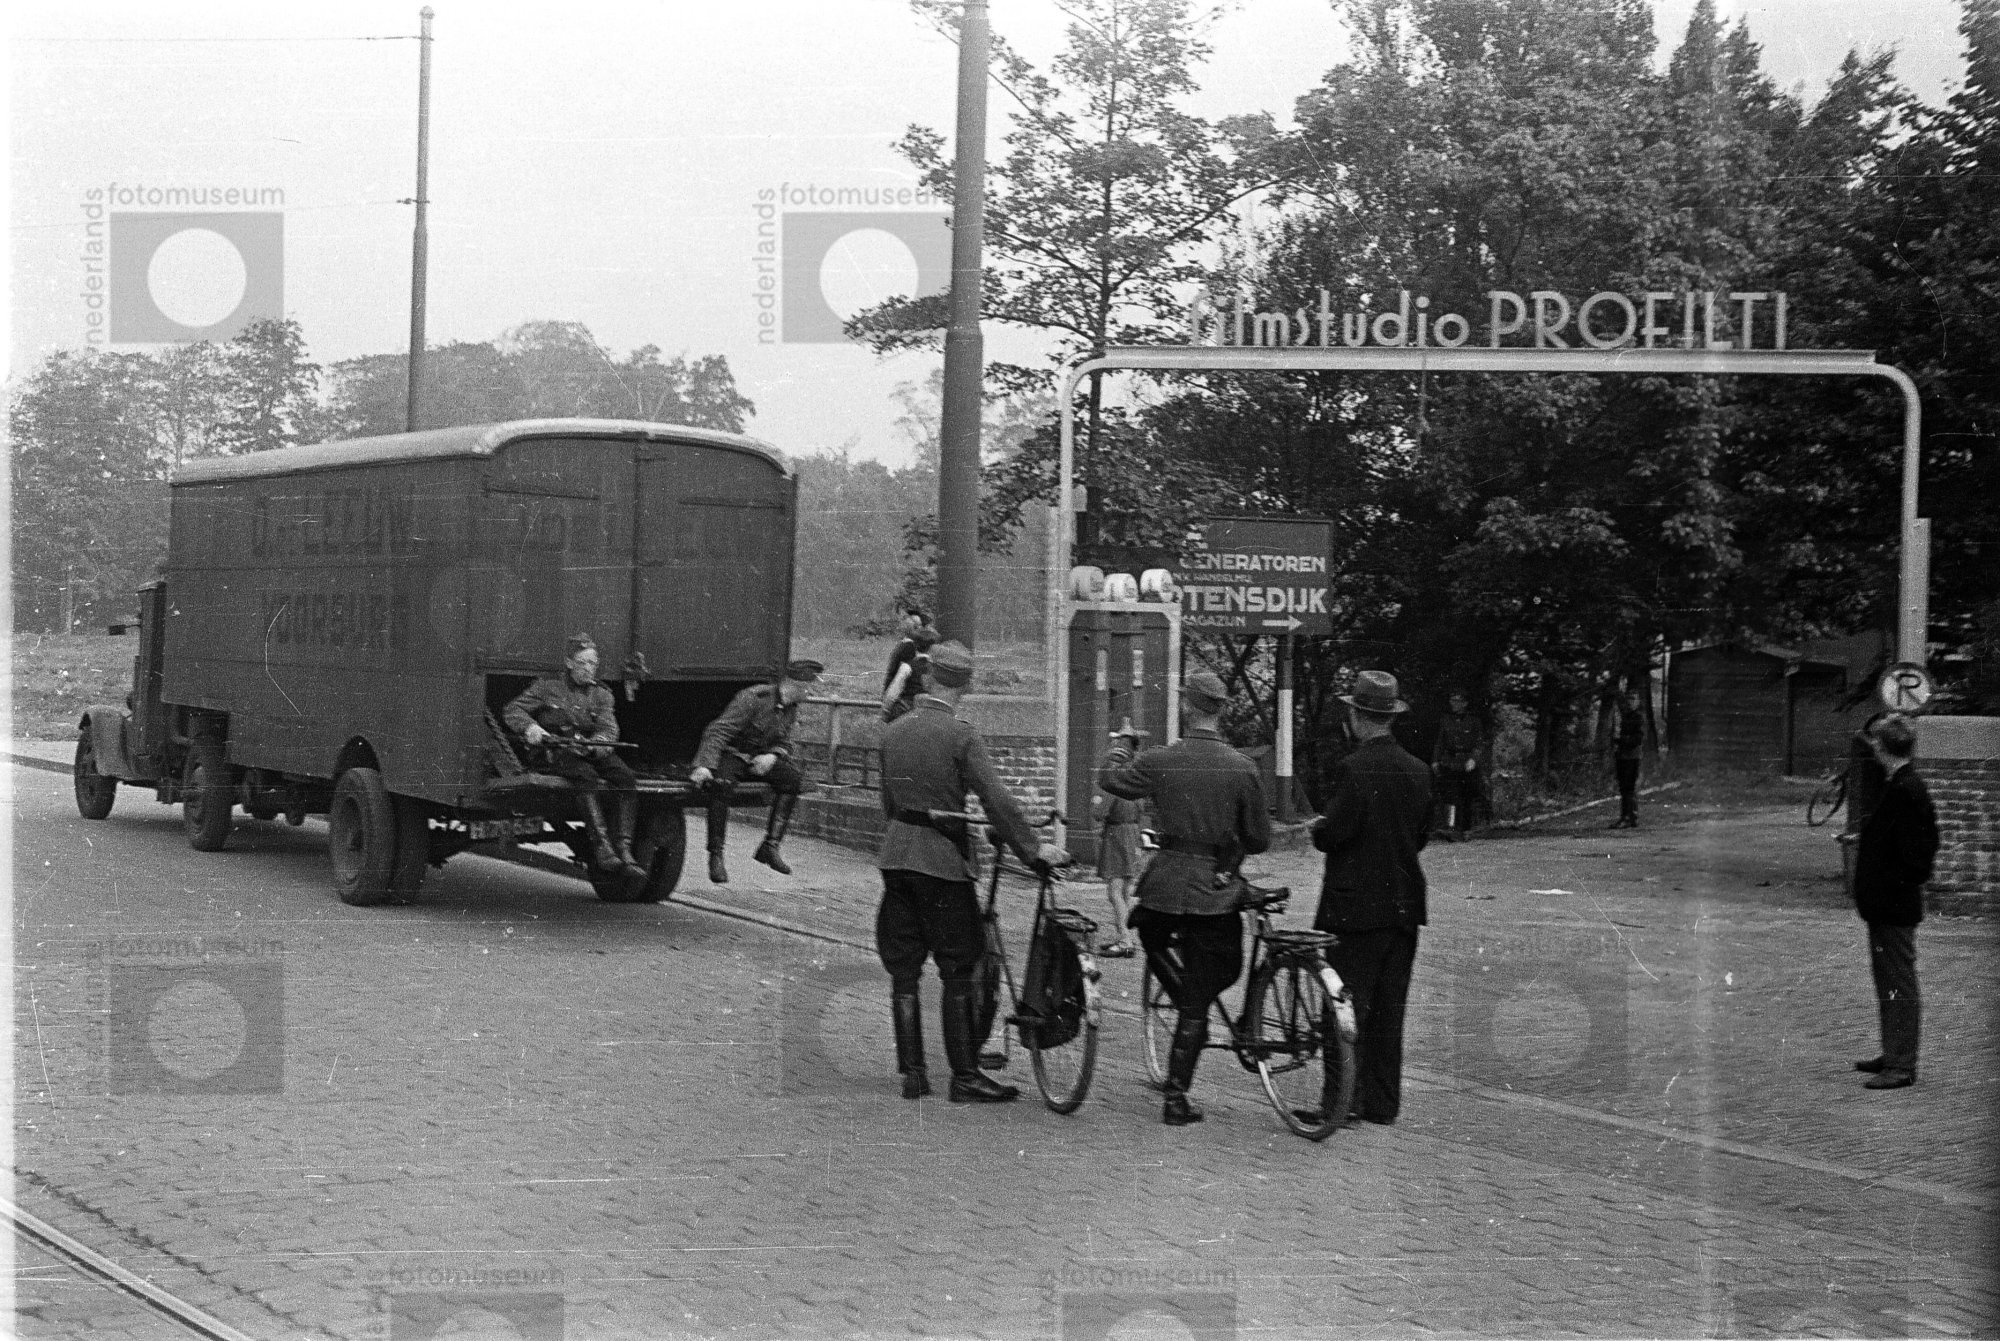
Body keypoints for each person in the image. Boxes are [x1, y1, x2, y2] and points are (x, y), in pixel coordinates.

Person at [875, 640, 1067, 1103]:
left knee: (905, 968)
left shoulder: (893, 731)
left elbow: (889, 803)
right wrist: (1033, 850)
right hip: (942, 863)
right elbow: (996, 800)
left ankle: (914, 1075)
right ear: (965, 685)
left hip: (896, 857)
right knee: (960, 966)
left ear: (927, 677)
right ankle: (964, 1076)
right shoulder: (961, 736)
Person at [1098, 670, 1270, 1125]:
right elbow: (1258, 839)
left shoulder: (1161, 759)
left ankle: (1184, 1010)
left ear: (1187, 706)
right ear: (1220, 711)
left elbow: (1110, 779)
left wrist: (1122, 743)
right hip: (1215, 890)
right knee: (1220, 971)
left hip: (1166, 884)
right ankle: (1180, 1071)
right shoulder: (1242, 768)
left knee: (1153, 938)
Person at [1311, 669, 1433, 1125]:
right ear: (1391, 717)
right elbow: (1420, 836)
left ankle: (1340, 1103)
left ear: (1358, 717)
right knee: (1388, 1009)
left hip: (1354, 907)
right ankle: (1381, 1104)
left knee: (1343, 1004)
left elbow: (1335, 833)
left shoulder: (1354, 769)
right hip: (1403, 904)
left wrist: (1319, 829)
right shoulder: (1419, 770)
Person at [503, 633, 642, 876]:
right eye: (582, 663)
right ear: (569, 663)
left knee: (625, 777)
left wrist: (596, 745)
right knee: (585, 776)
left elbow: (608, 729)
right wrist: (531, 728)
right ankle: (602, 847)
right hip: (556, 751)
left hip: (589, 749)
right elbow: (513, 710)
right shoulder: (547, 687)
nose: (588, 669)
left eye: (593, 663)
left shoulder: (602, 694)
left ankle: (624, 847)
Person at [1850, 714, 1939, 1090]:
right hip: (1887, 905)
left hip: (1894, 906)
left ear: (1883, 748)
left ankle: (1901, 1065)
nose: (1873, 747)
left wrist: (1889, 886)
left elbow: (1919, 855)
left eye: (1876, 742)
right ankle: (1894, 1052)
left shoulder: (1907, 789)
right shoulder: (1900, 783)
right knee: (1889, 980)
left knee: (1898, 982)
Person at [690, 658, 822, 883]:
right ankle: (716, 855)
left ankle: (770, 846)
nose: (811, 692)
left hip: (758, 760)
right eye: (810, 686)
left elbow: (784, 741)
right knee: (721, 786)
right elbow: (718, 730)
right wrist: (704, 765)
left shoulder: (790, 709)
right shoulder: (754, 698)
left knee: (793, 781)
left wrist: (773, 756)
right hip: (732, 754)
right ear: (796, 684)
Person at [1092, 780, 1142, 958]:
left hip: (1117, 837)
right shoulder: (1135, 786)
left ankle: (1125, 941)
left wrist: (1096, 800)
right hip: (1132, 834)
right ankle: (1125, 938)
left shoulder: (1113, 787)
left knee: (1114, 892)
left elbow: (1098, 813)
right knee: (1125, 891)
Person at [1431, 691, 1483, 840]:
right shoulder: (1446, 720)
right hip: (1450, 762)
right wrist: (1435, 760)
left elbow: (1479, 743)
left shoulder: (1473, 721)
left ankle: (1466, 829)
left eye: (1457, 700)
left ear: (1465, 703)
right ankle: (1450, 827)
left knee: (1467, 796)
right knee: (1450, 795)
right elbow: (1440, 742)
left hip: (1466, 763)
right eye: (1452, 700)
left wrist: (1473, 759)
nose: (1453, 703)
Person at [880, 604, 941, 723]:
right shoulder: (935, 667)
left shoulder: (906, 653)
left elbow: (893, 689)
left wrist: (886, 709)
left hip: (906, 707)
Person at [1610, 689, 1645, 829]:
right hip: (1623, 756)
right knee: (1624, 787)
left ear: (1638, 702)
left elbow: (1638, 739)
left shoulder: (1638, 718)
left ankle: (1628, 817)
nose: (1630, 702)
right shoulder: (1624, 716)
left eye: (1633, 699)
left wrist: (1621, 740)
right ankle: (1630, 816)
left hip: (1632, 757)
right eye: (1628, 699)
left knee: (1628, 787)